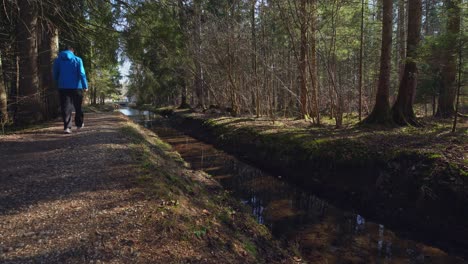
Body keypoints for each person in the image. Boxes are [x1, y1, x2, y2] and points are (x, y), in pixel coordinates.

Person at [53, 46, 88, 134]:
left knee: (66, 107)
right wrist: (85, 85)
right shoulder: (78, 59)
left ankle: (67, 128)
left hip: (63, 86)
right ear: (72, 51)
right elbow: (82, 73)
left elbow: (55, 73)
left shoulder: (58, 60)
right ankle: (79, 124)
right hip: (77, 87)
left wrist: (57, 81)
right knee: (78, 106)